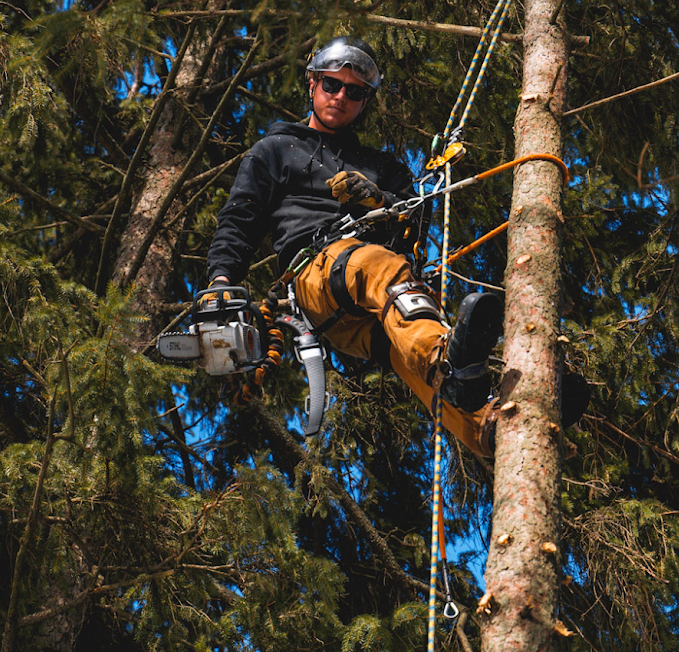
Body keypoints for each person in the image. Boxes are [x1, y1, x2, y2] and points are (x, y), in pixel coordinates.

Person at [206, 37, 503, 455]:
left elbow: (416, 227)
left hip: (375, 303)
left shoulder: (384, 168)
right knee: (377, 268)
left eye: (355, 92)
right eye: (332, 85)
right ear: (312, 84)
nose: (341, 96)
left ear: (365, 101)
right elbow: (239, 220)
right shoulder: (275, 151)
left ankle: (487, 430)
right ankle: (446, 361)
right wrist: (221, 279)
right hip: (316, 274)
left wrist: (379, 200)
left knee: (406, 351)